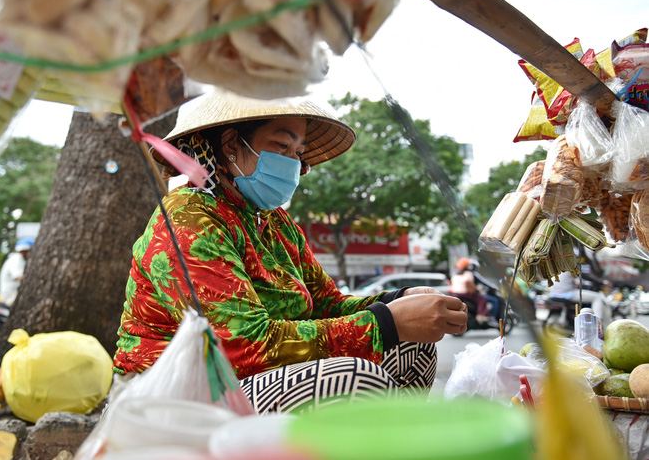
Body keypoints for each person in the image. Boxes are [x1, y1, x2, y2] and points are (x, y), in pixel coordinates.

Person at [113, 91, 468, 413]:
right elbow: (242, 347)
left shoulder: (276, 222)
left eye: (298, 153)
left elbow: (328, 305)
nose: (294, 163)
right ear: (231, 145)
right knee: (352, 378)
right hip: (175, 390)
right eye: (282, 147)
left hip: (249, 379)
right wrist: (386, 323)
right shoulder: (188, 217)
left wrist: (398, 299)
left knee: (410, 348)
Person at [450, 258, 498, 327]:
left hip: (455, 294)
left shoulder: (455, 275)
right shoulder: (469, 274)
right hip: (466, 294)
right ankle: (480, 315)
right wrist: (477, 289)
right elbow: (471, 289)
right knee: (482, 299)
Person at [0, 237, 34, 306]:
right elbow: (20, 277)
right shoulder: (16, 260)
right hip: (11, 297)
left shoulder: (23, 260)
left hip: (16, 295)